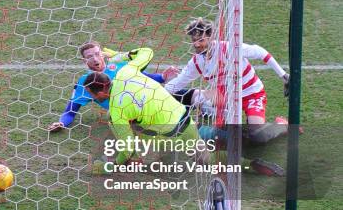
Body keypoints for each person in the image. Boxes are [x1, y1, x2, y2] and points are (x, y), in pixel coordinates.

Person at [164, 18, 290, 146]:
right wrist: (155, 93)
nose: (196, 44)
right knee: (222, 138)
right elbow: (177, 83)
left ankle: (281, 125)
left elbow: (260, 52)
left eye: (201, 40)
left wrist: (283, 75)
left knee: (258, 137)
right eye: (194, 41)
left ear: (210, 37)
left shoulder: (230, 48)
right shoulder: (197, 62)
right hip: (226, 99)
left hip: (252, 94)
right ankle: (207, 110)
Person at [83, 49, 202, 165]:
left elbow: (128, 148)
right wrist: (121, 56)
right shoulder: (126, 71)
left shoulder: (117, 111)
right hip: (185, 117)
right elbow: (147, 52)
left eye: (92, 94)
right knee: (206, 159)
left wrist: (115, 164)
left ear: (100, 93)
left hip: (170, 135)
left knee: (114, 121)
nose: (93, 97)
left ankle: (150, 156)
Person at [47, 42, 178, 132]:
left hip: (150, 98)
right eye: (89, 56)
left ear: (102, 54)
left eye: (97, 54)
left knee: (194, 95)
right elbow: (70, 111)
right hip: (131, 114)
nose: (95, 58)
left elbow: (145, 77)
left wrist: (162, 77)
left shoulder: (120, 65)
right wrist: (62, 123)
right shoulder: (85, 83)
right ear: (84, 61)